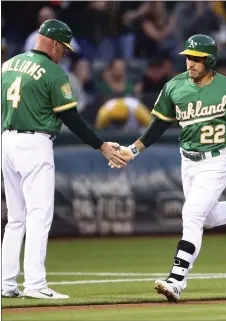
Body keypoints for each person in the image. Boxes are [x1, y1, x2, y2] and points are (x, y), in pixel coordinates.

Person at [108, 34, 226, 302]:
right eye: (188, 57)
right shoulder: (174, 87)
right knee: (208, 217)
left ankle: (176, 280)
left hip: (217, 161)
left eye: (197, 58)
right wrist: (132, 151)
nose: (190, 62)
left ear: (210, 60)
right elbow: (157, 125)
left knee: (191, 214)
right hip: (188, 161)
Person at [1, 19, 127, 300]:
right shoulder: (53, 72)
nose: (65, 54)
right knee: (39, 215)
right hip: (34, 143)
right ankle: (35, 284)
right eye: (65, 48)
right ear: (55, 43)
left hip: (6, 141)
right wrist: (101, 145)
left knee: (15, 218)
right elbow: (71, 117)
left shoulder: (7, 65)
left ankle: (6, 282)